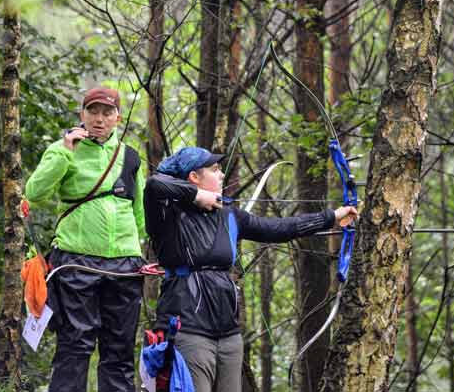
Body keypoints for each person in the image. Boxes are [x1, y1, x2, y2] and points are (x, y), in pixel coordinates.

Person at [143, 147, 358, 392]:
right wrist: (196, 196)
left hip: (229, 334)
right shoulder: (167, 216)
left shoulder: (230, 215)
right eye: (215, 170)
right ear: (194, 177)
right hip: (187, 330)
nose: (222, 175)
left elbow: (281, 228)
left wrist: (332, 216)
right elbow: (153, 185)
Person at [25, 87, 146, 392]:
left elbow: (140, 215)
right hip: (75, 262)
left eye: (107, 113)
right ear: (82, 115)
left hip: (125, 265)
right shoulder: (62, 149)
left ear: (117, 118)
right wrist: (66, 151)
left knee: (119, 351)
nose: (99, 119)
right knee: (74, 346)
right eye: (93, 112)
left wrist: (142, 251)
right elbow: (34, 193)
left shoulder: (130, 157)